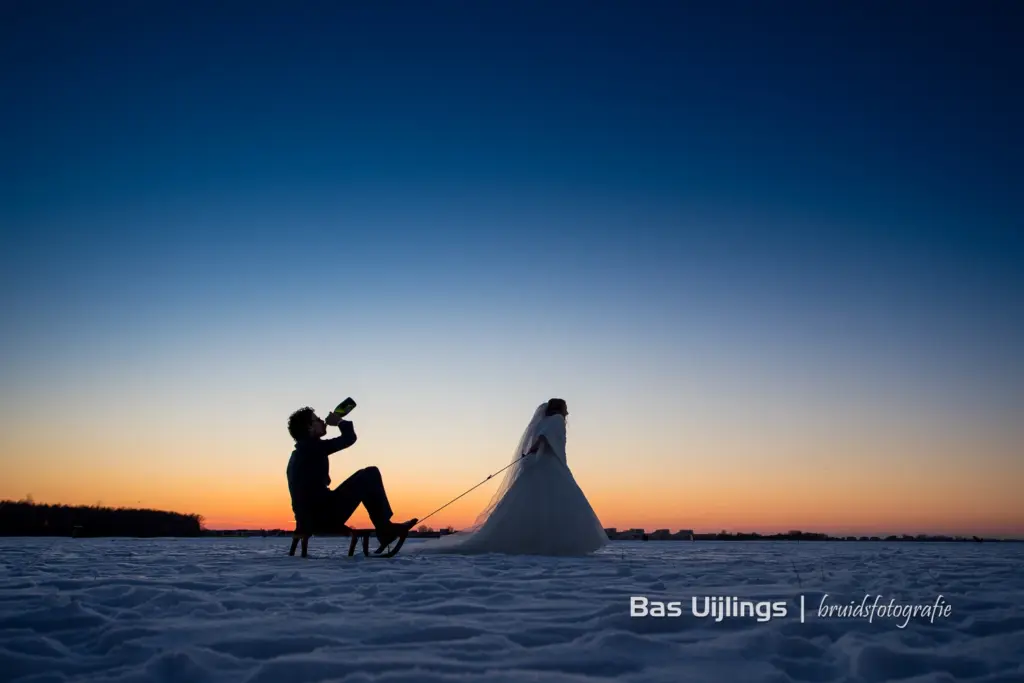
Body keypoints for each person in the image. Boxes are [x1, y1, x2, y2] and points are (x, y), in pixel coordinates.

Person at [414, 398, 608, 556]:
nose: (567, 412)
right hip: (550, 463)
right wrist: (536, 449)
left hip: (541, 462)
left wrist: (534, 450)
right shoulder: (556, 419)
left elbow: (542, 436)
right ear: (561, 409)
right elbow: (545, 438)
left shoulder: (546, 420)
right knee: (559, 500)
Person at [285, 406, 414, 549]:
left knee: (365, 474)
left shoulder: (301, 452)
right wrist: (339, 421)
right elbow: (349, 438)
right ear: (309, 428)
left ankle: (384, 528)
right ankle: (385, 530)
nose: (322, 421)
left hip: (310, 519)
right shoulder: (312, 448)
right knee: (370, 474)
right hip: (323, 517)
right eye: (316, 420)